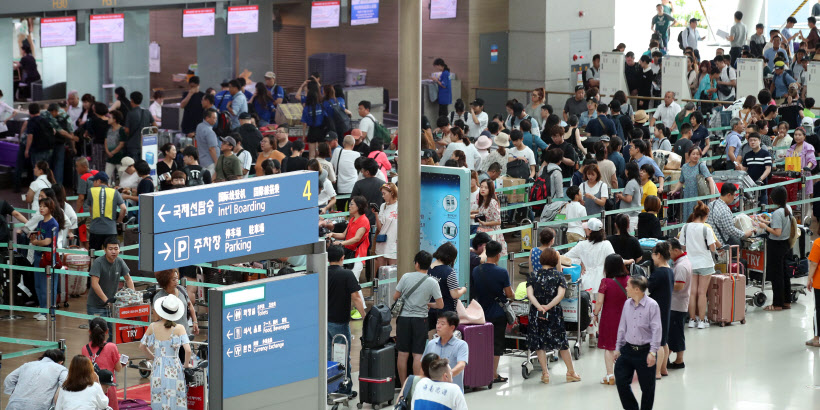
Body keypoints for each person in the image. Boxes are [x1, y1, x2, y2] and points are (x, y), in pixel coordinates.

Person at [526, 247, 582, 384]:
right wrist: (549, 306)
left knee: (539, 343)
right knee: (562, 342)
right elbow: (561, 294)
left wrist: (539, 306)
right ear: (555, 260)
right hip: (554, 313)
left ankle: (545, 373)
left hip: (536, 313)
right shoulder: (559, 276)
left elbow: (529, 294)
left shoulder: (533, 276)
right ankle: (570, 372)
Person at [394, 251, 444, 384]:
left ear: (416, 264)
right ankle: (416, 386)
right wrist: (428, 304)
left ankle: (404, 385)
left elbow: (395, 297)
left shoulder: (406, 277)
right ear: (428, 265)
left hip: (404, 319)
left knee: (402, 353)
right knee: (418, 354)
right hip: (420, 320)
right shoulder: (432, 282)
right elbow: (440, 304)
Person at [614, 275, 662, 410]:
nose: (625, 287)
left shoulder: (652, 305)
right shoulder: (626, 304)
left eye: (628, 285)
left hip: (645, 351)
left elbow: (657, 330)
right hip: (628, 349)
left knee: (647, 388)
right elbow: (622, 327)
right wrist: (618, 348)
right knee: (621, 380)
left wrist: (653, 352)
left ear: (636, 289)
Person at [139, 294, 193, 410]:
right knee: (175, 398)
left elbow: (142, 346)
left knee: (158, 397)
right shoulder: (179, 328)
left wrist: (154, 357)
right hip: (174, 365)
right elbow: (188, 350)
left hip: (158, 366)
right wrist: (186, 364)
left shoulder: (153, 326)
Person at [472, 241, 514, 384]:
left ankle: (481, 370)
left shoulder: (476, 270)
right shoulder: (502, 272)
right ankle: (493, 374)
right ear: (498, 255)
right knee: (496, 344)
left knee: (482, 343)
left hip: (481, 312)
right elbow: (509, 294)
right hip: (498, 313)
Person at [326, 245, 364, 397]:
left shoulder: (323, 273)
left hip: (324, 321)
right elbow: (356, 297)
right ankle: (344, 389)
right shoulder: (347, 274)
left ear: (328, 258)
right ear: (342, 258)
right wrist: (365, 315)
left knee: (330, 355)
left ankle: (332, 388)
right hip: (339, 322)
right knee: (343, 355)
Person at [679, 201, 717, 328]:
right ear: (705, 216)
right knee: (702, 293)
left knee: (692, 292)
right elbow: (712, 248)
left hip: (690, 263)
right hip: (705, 263)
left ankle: (691, 319)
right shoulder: (706, 228)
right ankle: (701, 320)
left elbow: (682, 246)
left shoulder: (685, 227)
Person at [88, 236, 135, 340]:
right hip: (96, 305)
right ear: (104, 249)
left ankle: (107, 353)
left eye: (116, 248)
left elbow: (128, 279)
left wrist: (133, 297)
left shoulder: (120, 261)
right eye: (110, 249)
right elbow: (94, 284)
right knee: (96, 336)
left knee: (114, 334)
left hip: (112, 306)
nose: (113, 251)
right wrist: (106, 300)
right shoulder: (98, 262)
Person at [594, 254, 630, 385]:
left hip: (609, 317)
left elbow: (599, 302)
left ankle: (610, 375)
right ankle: (624, 373)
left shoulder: (605, 282)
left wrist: (595, 314)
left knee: (609, 346)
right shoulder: (629, 280)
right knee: (625, 345)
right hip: (627, 317)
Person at [759, 186, 794, 311]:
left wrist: (764, 226)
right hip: (785, 244)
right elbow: (781, 225)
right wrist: (768, 222)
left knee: (776, 275)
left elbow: (777, 232)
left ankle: (777, 304)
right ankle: (786, 301)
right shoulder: (787, 208)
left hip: (776, 245)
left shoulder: (778, 212)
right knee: (784, 273)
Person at [565, 217, 615, 297]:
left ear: (590, 231)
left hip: (585, 282)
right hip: (602, 281)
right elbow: (614, 261)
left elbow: (566, 258)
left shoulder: (582, 245)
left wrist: (578, 263)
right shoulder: (606, 244)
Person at [422, 311, 469, 392]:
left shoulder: (461, 345)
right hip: (433, 390)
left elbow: (461, 365)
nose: (438, 326)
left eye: (442, 324)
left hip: (452, 391)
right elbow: (423, 366)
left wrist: (446, 377)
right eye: (437, 323)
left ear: (452, 327)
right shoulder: (431, 343)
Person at [82, 317, 122, 410]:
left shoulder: (84, 348)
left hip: (90, 388)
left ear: (89, 331)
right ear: (107, 331)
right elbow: (118, 368)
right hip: (108, 387)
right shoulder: (112, 347)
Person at [328, 196, 371, 281]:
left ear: (359, 206)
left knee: (354, 280)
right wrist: (332, 234)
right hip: (349, 252)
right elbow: (344, 235)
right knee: (349, 281)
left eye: (352, 204)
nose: (349, 206)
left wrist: (341, 243)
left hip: (358, 253)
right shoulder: (352, 219)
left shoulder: (364, 220)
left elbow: (357, 238)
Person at [647, 242, 674, 380]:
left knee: (659, 343)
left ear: (658, 255)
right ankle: (663, 368)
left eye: (653, 254)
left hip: (657, 310)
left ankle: (656, 372)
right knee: (664, 341)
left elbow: (648, 288)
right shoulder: (670, 271)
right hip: (665, 309)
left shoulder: (658, 273)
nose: (652, 258)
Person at [668, 146, 715, 222]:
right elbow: (681, 181)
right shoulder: (684, 167)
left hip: (699, 197)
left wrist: (713, 196)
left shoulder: (701, 166)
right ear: (689, 155)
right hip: (687, 196)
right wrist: (674, 190)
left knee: (698, 218)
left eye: (697, 154)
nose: (695, 156)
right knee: (688, 218)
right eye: (693, 154)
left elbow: (710, 180)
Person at [667, 238, 692, 369]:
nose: (668, 254)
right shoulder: (680, 262)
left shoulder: (681, 266)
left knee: (676, 334)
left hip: (678, 304)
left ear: (676, 250)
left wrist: (666, 285)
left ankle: (679, 360)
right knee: (674, 333)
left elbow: (679, 286)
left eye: (669, 251)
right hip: (677, 304)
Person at [428, 243, 467, 326]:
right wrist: (463, 290)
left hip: (430, 310)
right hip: (446, 311)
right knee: (445, 337)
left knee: (432, 336)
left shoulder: (427, 269)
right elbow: (454, 295)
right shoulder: (448, 271)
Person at [85, 172, 126, 250]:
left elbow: (90, 208)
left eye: (94, 181)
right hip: (111, 230)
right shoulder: (114, 192)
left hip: (95, 230)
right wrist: (119, 221)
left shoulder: (91, 191)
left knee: (95, 255)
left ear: (99, 181)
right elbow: (123, 208)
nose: (93, 183)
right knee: (111, 255)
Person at [152, 269, 198, 338]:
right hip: (169, 336)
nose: (176, 281)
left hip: (185, 333)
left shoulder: (182, 290)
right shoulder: (159, 297)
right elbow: (156, 320)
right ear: (166, 281)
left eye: (177, 278)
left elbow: (190, 305)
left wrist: (195, 321)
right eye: (173, 280)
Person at [737, 133, 772, 206]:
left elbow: (768, 169)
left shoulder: (765, 154)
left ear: (759, 141)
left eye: (755, 140)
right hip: (749, 184)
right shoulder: (747, 155)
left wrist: (760, 179)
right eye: (750, 140)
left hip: (762, 184)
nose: (752, 142)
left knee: (763, 204)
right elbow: (744, 169)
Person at [476, 180, 508, 256]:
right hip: (484, 232)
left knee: (493, 255)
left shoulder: (492, 202)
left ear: (490, 190)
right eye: (481, 187)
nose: (482, 189)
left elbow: (498, 221)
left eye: (486, 188)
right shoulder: (483, 201)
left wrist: (485, 223)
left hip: (493, 233)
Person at [785, 127, 817, 197]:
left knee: (803, 196)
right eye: (795, 135)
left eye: (799, 135)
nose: (797, 137)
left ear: (804, 136)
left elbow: (811, 159)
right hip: (792, 175)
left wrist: (808, 167)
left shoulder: (808, 147)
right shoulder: (792, 148)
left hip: (804, 174)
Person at [123, 92, 155, 159]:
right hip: (145, 143)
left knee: (134, 166)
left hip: (133, 144)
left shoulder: (130, 114)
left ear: (131, 100)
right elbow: (155, 126)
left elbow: (127, 130)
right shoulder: (147, 112)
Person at [332, 135, 362, 203]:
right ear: (353, 145)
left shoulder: (337, 151)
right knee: (352, 209)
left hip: (339, 187)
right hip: (352, 187)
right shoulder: (357, 154)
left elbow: (332, 166)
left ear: (343, 143)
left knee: (340, 210)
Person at [375, 183, 398, 268]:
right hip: (382, 241)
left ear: (392, 193)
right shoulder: (383, 206)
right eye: (382, 194)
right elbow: (380, 227)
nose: (383, 196)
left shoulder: (400, 205)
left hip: (394, 242)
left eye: (384, 193)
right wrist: (376, 214)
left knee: (393, 270)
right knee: (382, 271)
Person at [617, 163, 643, 233]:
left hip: (629, 216)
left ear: (628, 171)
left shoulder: (631, 183)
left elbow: (628, 199)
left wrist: (620, 196)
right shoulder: (638, 182)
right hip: (635, 214)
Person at [196, 109, 220, 176]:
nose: (216, 120)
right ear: (207, 118)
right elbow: (212, 149)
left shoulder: (199, 126)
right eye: (214, 118)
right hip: (211, 163)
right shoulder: (209, 131)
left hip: (202, 161)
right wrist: (217, 164)